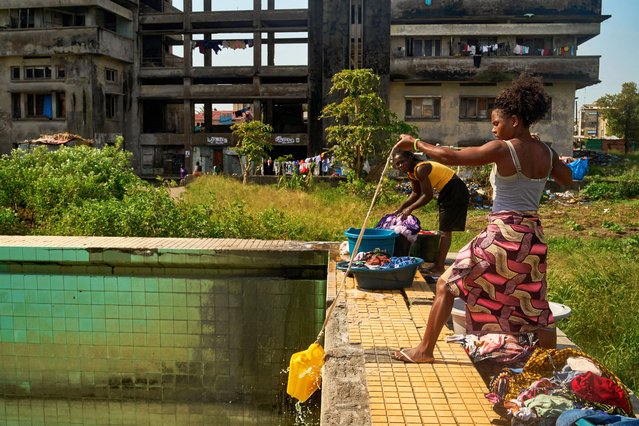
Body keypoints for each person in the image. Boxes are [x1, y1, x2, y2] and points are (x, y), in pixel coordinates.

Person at [391, 73, 573, 363]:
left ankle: (423, 352)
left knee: (447, 284)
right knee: (536, 305)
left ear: (515, 120)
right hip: (532, 237)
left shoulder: (503, 148)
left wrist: (416, 143)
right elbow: (567, 178)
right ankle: (547, 367)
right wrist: (546, 153)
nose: (493, 129)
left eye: (496, 122)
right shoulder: (546, 150)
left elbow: (451, 156)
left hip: (502, 233)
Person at [392, 150, 470, 270]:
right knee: (444, 230)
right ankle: (438, 264)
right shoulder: (411, 172)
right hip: (447, 190)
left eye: (402, 162)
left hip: (454, 189)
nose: (400, 166)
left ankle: (439, 266)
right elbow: (416, 193)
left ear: (410, 158)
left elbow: (427, 195)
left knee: (445, 231)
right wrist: (400, 208)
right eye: (397, 164)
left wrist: (410, 209)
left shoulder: (420, 169)